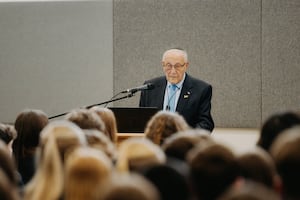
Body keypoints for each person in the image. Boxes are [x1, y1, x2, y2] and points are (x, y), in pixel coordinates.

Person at [139, 48, 214, 132]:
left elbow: (205, 124)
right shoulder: (150, 87)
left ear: (186, 66)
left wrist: (186, 137)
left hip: (184, 142)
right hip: (155, 141)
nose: (173, 71)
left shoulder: (201, 89)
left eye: (177, 66)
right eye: (168, 65)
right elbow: (142, 120)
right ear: (163, 65)